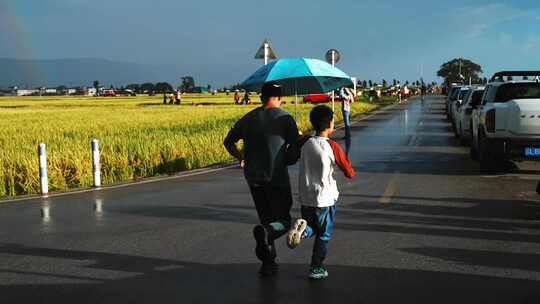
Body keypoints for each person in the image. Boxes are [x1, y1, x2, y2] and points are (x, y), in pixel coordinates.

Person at [223, 81, 301, 276]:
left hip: (253, 178)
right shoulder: (285, 118)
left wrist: (241, 157)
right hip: (276, 178)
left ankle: (268, 263)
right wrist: (293, 151)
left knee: (266, 218)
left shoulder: (248, 117)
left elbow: (228, 141)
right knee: (282, 220)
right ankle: (267, 236)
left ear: (261, 97)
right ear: (279, 98)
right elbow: (295, 150)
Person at [287, 105, 356, 280]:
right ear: (330, 124)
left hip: (306, 197)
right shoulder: (332, 146)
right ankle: (316, 267)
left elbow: (291, 155)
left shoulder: (305, 142)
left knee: (312, 227)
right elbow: (349, 173)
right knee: (323, 234)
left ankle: (302, 232)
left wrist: (298, 136)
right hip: (325, 199)